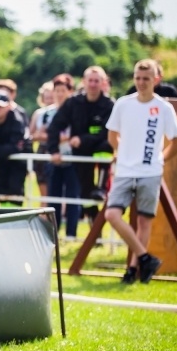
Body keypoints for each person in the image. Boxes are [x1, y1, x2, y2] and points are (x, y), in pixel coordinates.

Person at [104, 59, 177, 284]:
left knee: (144, 222)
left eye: (146, 79)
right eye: (137, 78)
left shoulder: (164, 107)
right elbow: (111, 136)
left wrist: (160, 159)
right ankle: (145, 257)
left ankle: (133, 270)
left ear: (156, 80)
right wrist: (123, 151)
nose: (141, 82)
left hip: (150, 171)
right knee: (112, 214)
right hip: (125, 170)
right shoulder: (123, 103)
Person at [47, 66, 114, 228]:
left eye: (96, 81)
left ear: (103, 83)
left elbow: (107, 132)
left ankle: (101, 186)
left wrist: (82, 139)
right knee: (86, 193)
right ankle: (95, 229)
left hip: (100, 149)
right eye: (89, 80)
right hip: (80, 154)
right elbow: (55, 126)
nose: (92, 84)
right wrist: (54, 150)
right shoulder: (73, 103)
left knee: (105, 148)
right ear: (83, 82)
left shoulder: (109, 105)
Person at [44, 74, 79, 239]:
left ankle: (71, 234)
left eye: (62, 90)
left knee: (73, 197)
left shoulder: (77, 110)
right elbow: (44, 134)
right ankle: (53, 233)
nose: (59, 94)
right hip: (55, 158)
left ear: (70, 91)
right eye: (56, 90)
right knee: (53, 197)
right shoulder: (48, 113)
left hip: (73, 159)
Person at [28, 81, 56, 204]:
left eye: (51, 97)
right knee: (42, 187)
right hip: (41, 152)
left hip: (54, 150)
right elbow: (30, 135)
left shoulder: (60, 113)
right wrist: (38, 135)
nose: (49, 100)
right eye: (47, 97)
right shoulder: (38, 113)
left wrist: (47, 136)